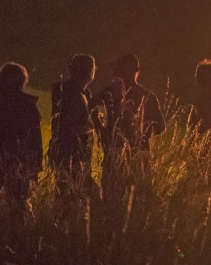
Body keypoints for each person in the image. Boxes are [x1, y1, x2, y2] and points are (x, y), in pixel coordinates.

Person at [0, 62, 43, 207]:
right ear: (22, 81)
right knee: (19, 202)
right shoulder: (28, 105)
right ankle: (16, 228)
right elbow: (35, 138)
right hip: (18, 158)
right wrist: (35, 164)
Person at [96, 54, 165, 196]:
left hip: (136, 157)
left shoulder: (146, 96)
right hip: (114, 155)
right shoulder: (110, 92)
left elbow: (160, 126)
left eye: (118, 69)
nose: (114, 73)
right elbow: (89, 108)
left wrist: (139, 128)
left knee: (135, 197)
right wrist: (100, 128)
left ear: (129, 70)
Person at [49, 54, 101, 188]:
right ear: (90, 72)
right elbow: (75, 123)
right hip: (71, 153)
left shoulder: (81, 92)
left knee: (69, 193)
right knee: (82, 192)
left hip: (73, 153)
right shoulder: (70, 91)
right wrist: (93, 120)